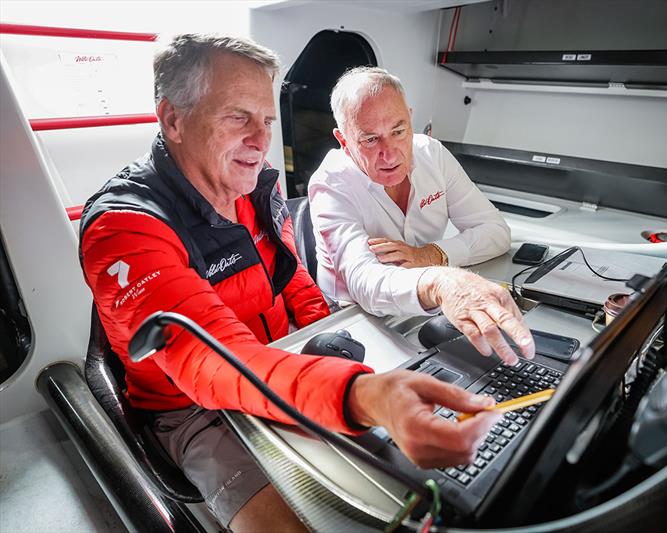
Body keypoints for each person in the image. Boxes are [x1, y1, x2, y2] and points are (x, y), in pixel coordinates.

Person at [79, 34, 533, 532]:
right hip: (196, 410)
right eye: (238, 117)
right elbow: (209, 364)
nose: (260, 139)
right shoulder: (124, 227)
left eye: (267, 120)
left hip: (289, 359)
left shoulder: (255, 183)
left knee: (416, 483)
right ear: (173, 119)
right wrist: (361, 394)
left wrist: (335, 352)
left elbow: (291, 280)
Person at [308, 67, 517, 355]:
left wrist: (432, 255)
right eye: (370, 139)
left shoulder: (433, 155)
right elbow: (363, 282)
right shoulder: (331, 183)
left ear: (410, 117)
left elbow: (496, 232)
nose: (391, 154)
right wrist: (439, 282)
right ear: (343, 141)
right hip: (354, 322)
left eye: (398, 130)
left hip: (427, 308)